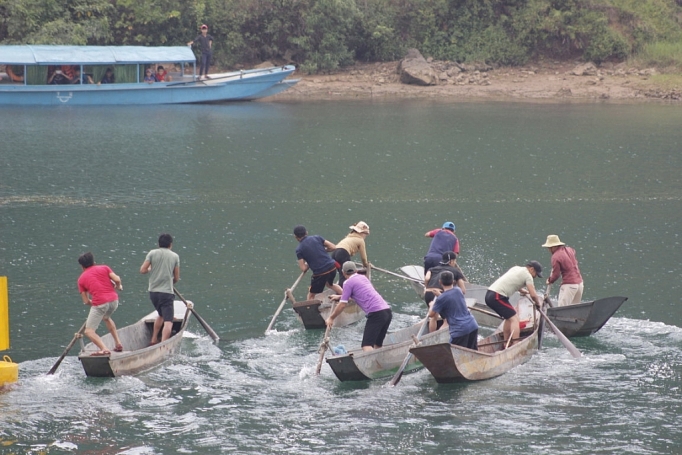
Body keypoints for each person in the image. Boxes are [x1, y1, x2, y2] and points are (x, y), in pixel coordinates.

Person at [326, 262, 392, 351]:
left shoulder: (347, 283)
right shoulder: (363, 278)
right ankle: (379, 362)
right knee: (377, 345)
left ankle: (370, 364)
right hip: (387, 311)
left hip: (376, 314)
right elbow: (358, 295)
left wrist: (331, 318)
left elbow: (342, 305)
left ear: (343, 272)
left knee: (367, 346)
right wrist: (340, 297)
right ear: (356, 271)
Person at [485, 261, 543, 346]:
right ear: (531, 269)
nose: (535, 277)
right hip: (497, 296)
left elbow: (512, 281)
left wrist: (522, 291)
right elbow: (533, 295)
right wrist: (538, 304)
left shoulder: (516, 268)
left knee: (509, 318)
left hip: (490, 294)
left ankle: (505, 342)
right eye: (536, 274)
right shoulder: (528, 276)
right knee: (515, 319)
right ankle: (515, 343)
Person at [77, 252, 124, 355]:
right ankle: (118, 343)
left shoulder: (81, 279)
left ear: (82, 266)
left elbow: (85, 301)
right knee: (106, 317)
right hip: (114, 301)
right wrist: (118, 285)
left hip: (100, 303)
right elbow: (117, 279)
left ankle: (104, 348)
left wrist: (94, 304)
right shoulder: (104, 268)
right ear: (94, 262)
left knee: (89, 331)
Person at [140, 233, 180, 344]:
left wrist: (150, 269)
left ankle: (153, 340)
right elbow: (176, 277)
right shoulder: (175, 256)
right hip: (166, 293)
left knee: (161, 315)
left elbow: (143, 270)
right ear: (170, 245)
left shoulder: (152, 253)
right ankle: (162, 344)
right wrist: (171, 283)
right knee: (169, 321)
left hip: (153, 293)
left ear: (158, 244)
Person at [427, 271, 478, 348]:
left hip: (460, 331)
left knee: (453, 354)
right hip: (473, 325)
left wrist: (432, 305)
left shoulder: (441, 298)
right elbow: (449, 297)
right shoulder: (458, 290)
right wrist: (440, 295)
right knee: (472, 351)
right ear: (453, 281)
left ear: (440, 282)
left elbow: (431, 314)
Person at [294, 225, 343, 301]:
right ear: (306, 232)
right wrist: (322, 251)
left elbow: (303, 268)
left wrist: (308, 262)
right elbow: (333, 247)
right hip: (332, 266)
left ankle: (309, 310)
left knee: (311, 295)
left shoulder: (299, 249)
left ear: (295, 237)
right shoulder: (317, 238)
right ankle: (345, 297)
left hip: (320, 273)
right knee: (330, 284)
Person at [542, 234, 584, 307]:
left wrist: (550, 280)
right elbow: (574, 252)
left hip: (570, 285)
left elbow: (556, 274)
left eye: (549, 248)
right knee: (575, 308)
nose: (549, 250)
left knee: (562, 308)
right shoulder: (570, 249)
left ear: (554, 247)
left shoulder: (555, 257)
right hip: (580, 284)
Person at [331, 221, 370, 287]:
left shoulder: (349, 237)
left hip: (334, 253)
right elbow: (363, 257)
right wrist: (366, 265)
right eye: (365, 234)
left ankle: (340, 288)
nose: (365, 236)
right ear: (361, 233)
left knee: (342, 273)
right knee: (347, 274)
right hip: (343, 253)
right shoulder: (360, 240)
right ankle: (343, 292)